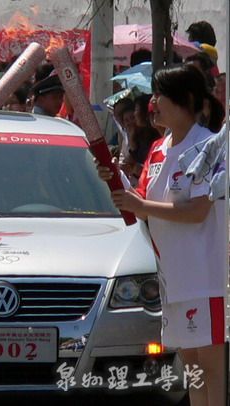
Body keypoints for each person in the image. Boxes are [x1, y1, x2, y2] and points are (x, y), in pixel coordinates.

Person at [97, 64, 226, 406]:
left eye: (160, 95)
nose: (152, 103)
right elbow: (142, 206)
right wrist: (114, 179)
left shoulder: (210, 147)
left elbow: (198, 212)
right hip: (172, 277)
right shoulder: (157, 148)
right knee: (193, 368)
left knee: (212, 367)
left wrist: (142, 205)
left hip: (205, 277)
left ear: (186, 100)